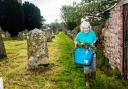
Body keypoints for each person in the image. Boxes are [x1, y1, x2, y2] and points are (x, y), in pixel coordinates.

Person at [74, 17, 97, 87]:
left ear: (89, 27)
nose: (86, 29)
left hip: (92, 52)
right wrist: (78, 44)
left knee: (93, 67)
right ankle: (87, 81)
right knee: (86, 67)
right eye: (84, 28)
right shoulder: (80, 34)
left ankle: (93, 79)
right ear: (82, 28)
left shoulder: (92, 33)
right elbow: (75, 40)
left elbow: (95, 39)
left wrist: (94, 42)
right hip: (85, 54)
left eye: (87, 28)